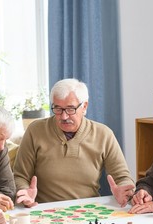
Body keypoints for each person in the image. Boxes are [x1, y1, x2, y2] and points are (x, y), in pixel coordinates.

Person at [14, 78, 135, 208]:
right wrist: (24, 191)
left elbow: (122, 177)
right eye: (58, 109)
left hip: (88, 211)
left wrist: (124, 190)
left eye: (70, 109)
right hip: (44, 210)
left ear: (84, 106)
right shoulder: (35, 130)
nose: (64, 116)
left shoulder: (104, 134)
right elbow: (20, 176)